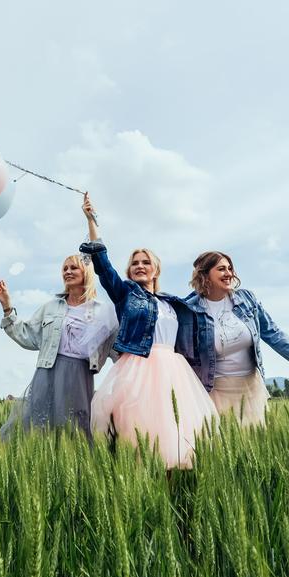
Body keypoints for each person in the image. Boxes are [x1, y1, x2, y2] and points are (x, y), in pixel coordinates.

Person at [78, 194, 218, 469]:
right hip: (137, 370)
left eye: (145, 262)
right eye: (135, 263)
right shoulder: (126, 294)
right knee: (138, 437)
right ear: (130, 271)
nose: (140, 266)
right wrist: (92, 221)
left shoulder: (172, 303)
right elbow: (103, 266)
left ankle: (169, 488)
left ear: (156, 270)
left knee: (174, 436)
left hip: (174, 373)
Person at [185, 251, 289, 427]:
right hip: (215, 390)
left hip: (251, 388)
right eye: (221, 269)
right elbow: (183, 353)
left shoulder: (246, 299)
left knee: (253, 438)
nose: (229, 273)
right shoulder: (189, 310)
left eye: (230, 268)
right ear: (205, 275)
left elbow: (272, 332)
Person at [0, 255, 117, 439]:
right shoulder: (50, 307)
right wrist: (7, 307)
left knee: (77, 429)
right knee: (40, 426)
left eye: (73, 268)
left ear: (86, 272)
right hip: (47, 372)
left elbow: (118, 348)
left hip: (79, 375)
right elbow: (27, 335)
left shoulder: (103, 311)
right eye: (65, 269)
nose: (68, 272)